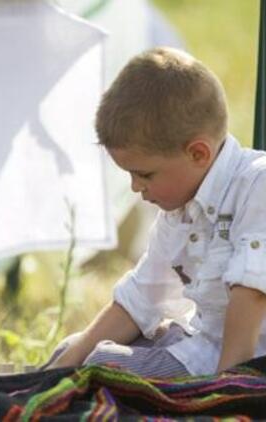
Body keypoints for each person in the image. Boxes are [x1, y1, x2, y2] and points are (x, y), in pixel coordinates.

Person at [45, 47, 266, 378]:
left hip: (243, 361)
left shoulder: (257, 182)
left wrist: (226, 392)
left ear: (198, 153)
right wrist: (64, 365)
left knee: (104, 366)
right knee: (74, 351)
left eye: (144, 174)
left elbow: (252, 294)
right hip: (199, 344)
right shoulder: (179, 208)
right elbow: (142, 298)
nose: (136, 187)